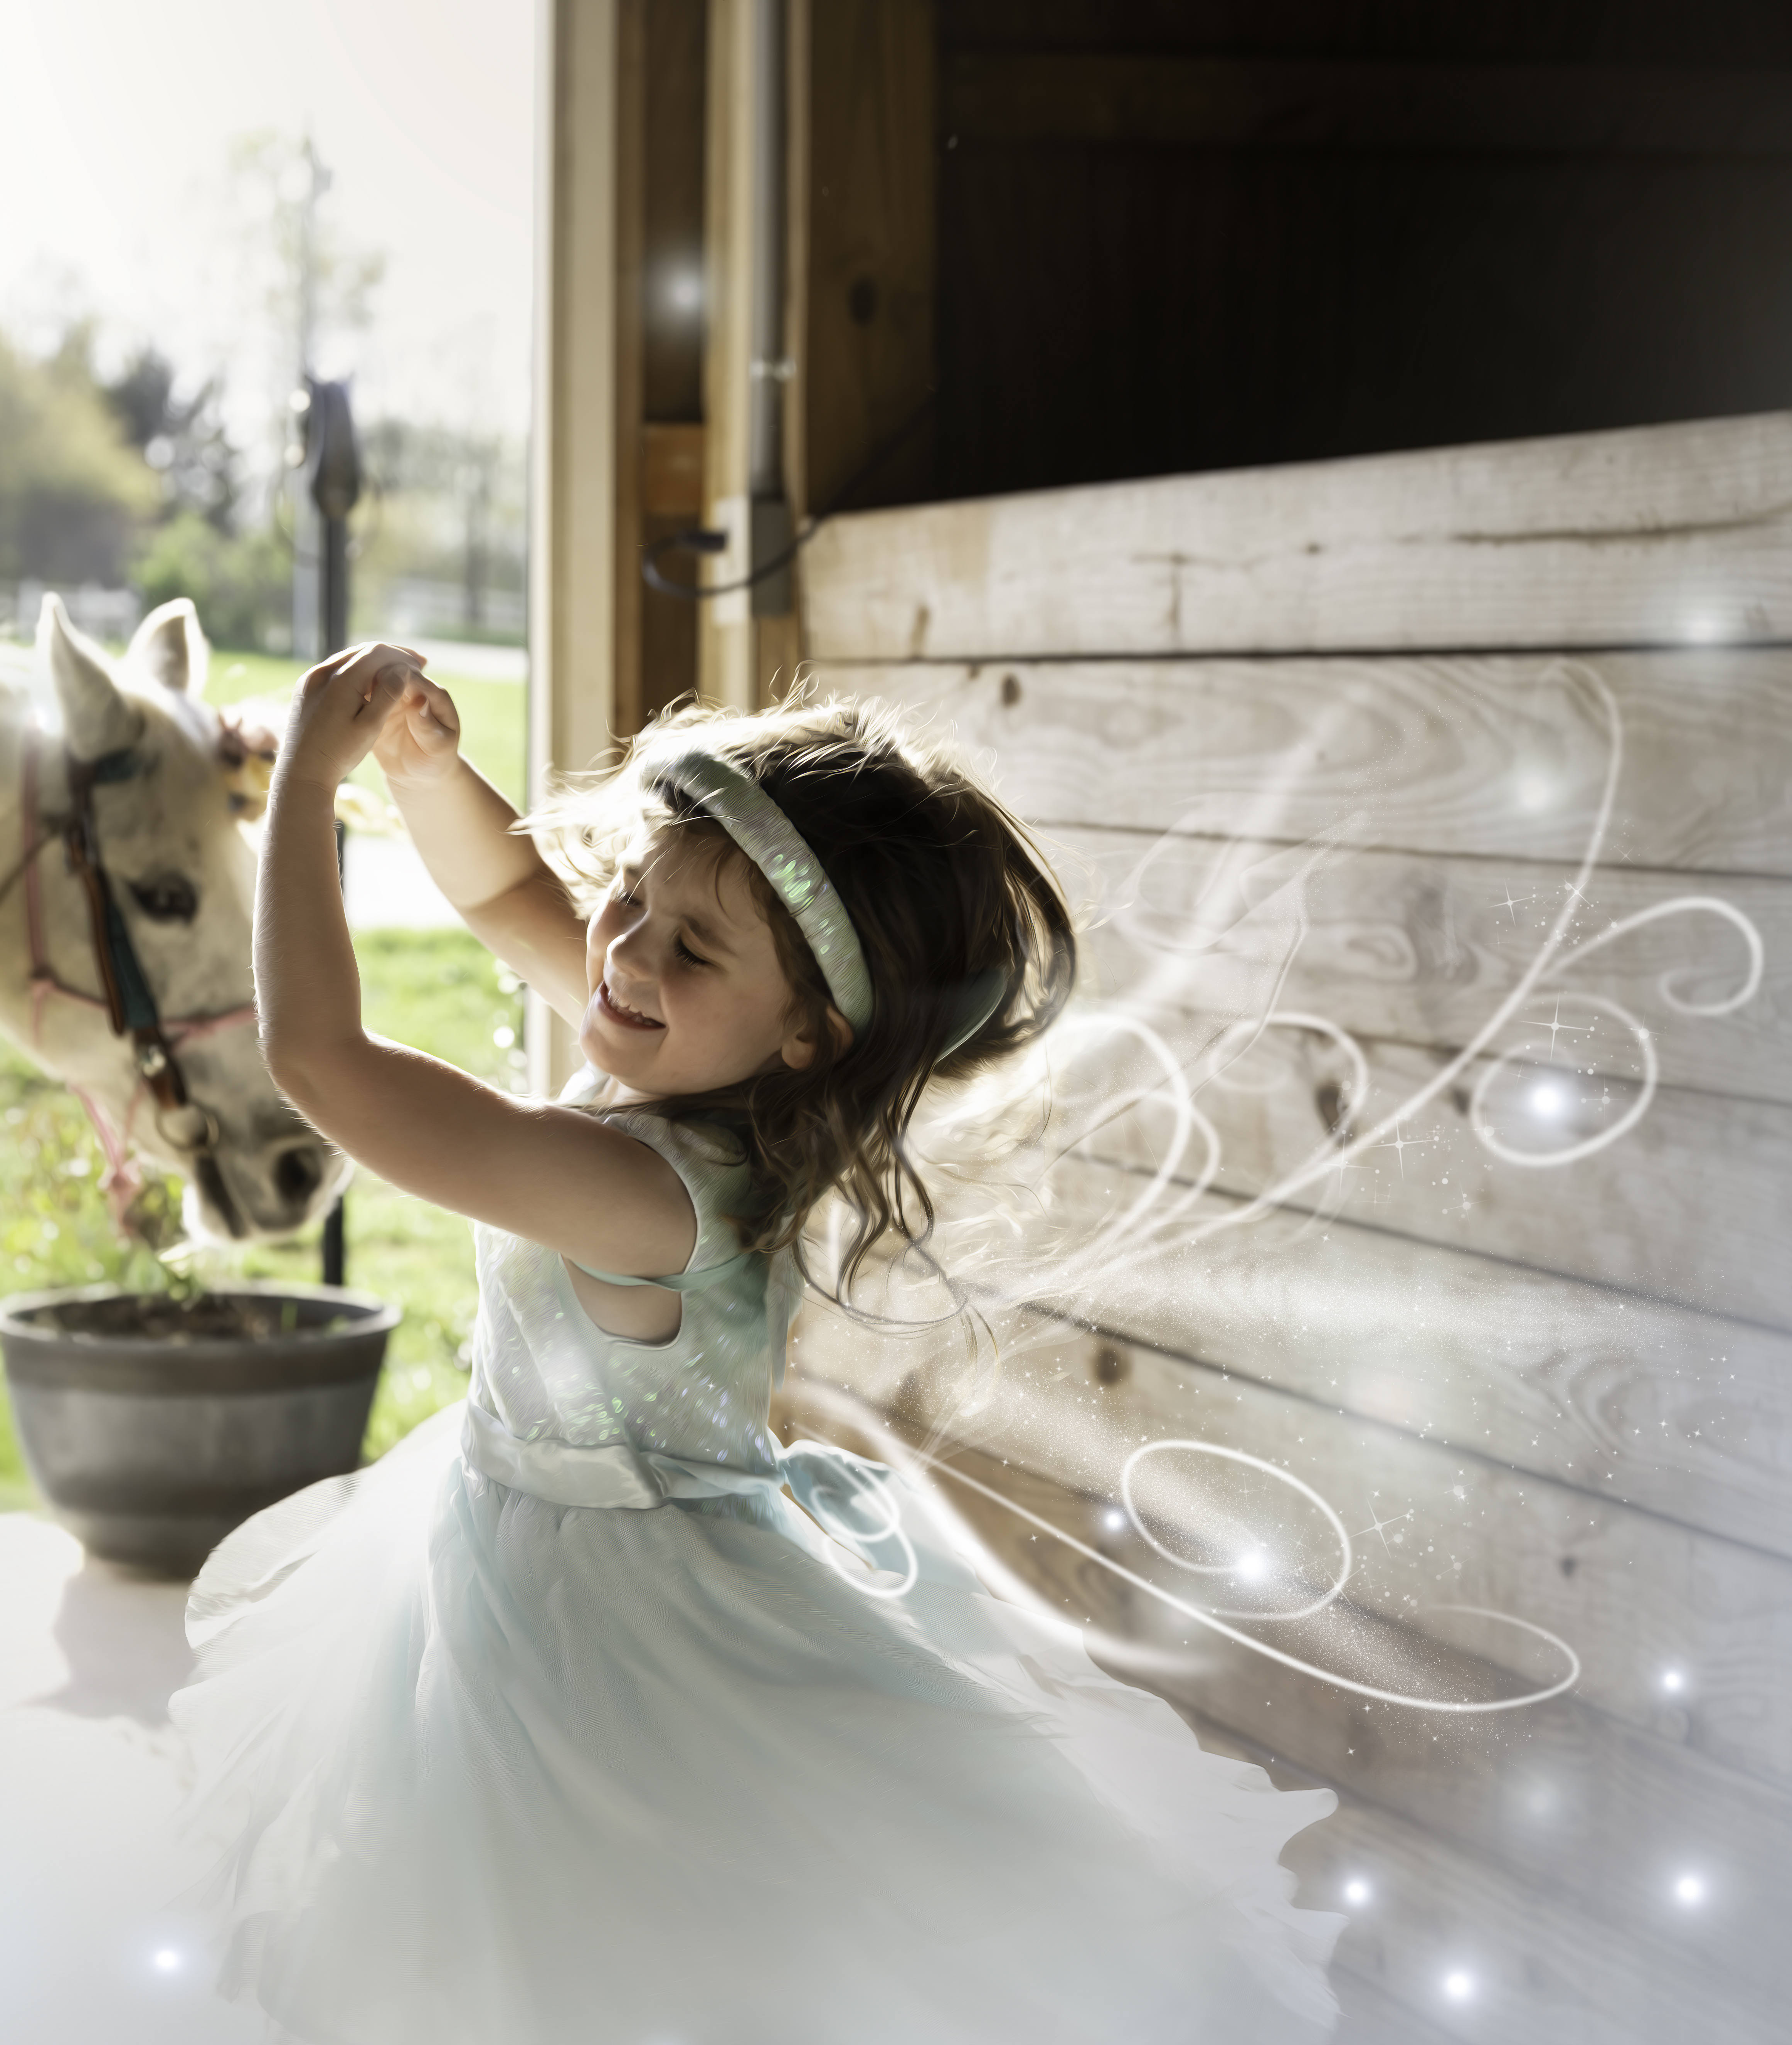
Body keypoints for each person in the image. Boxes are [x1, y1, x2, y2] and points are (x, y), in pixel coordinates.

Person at [170, 644, 1344, 2044]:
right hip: (537, 1547)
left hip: (601, 1636)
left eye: (692, 944)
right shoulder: (708, 1066)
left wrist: (307, 782)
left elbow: (323, 1065)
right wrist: (426, 774)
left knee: (602, 1958)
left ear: (809, 1032)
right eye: (631, 896)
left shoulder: (641, 1190)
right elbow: (498, 891)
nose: (622, 953)